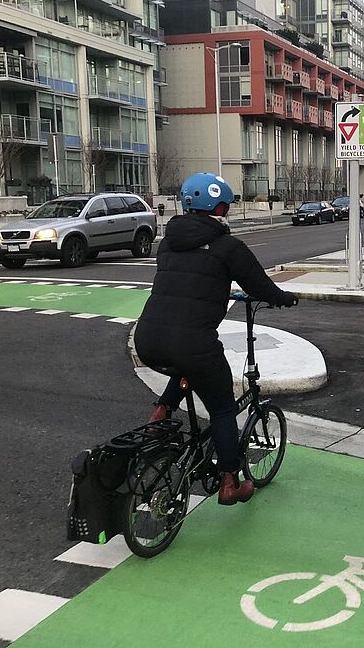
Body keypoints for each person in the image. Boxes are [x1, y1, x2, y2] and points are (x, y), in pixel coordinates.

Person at [134, 172, 298, 506]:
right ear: (221, 207)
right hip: (193, 343)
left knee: (187, 365)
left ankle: (161, 412)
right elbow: (260, 286)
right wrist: (284, 298)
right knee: (222, 408)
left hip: (148, 338)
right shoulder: (228, 247)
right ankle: (229, 482)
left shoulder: (168, 242)